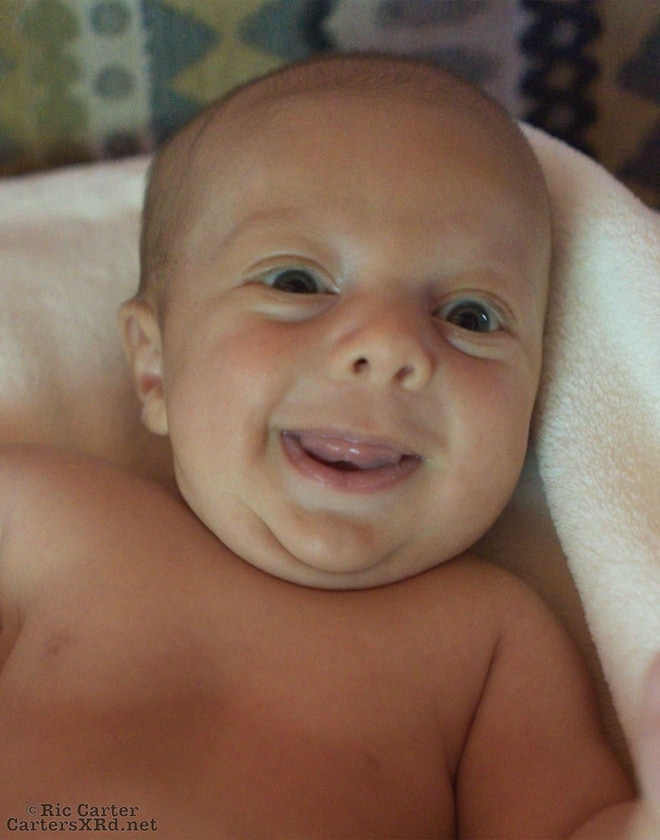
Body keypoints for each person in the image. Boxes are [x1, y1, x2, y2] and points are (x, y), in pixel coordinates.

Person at [0, 53, 655, 839]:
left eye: (471, 317)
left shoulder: (490, 640)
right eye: (297, 283)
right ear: (154, 367)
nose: (388, 345)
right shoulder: (46, 519)